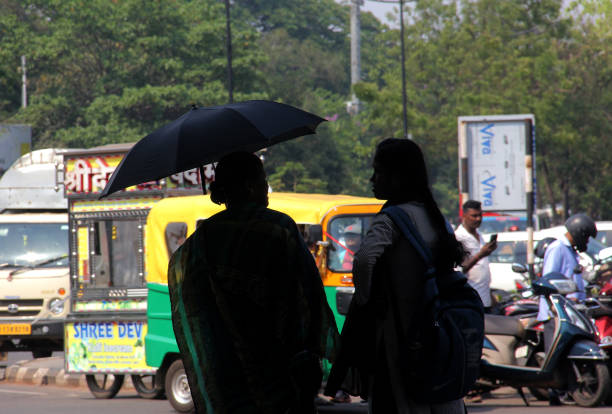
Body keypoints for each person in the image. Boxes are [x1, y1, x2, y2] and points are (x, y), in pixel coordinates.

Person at [167, 151, 339, 414]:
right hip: (279, 370)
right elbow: (309, 294)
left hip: (227, 376)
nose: (266, 190)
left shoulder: (198, 244)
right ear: (249, 186)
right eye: (263, 181)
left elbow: (192, 310)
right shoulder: (278, 228)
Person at [325, 138, 466, 414]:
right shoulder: (436, 218)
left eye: (378, 172)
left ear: (398, 177)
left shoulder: (391, 218)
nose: (372, 179)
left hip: (399, 338)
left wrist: (366, 299)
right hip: (438, 335)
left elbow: (365, 259)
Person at [454, 200, 497, 312]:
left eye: (480, 215)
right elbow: (459, 270)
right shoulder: (459, 238)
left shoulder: (479, 235)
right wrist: (480, 255)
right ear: (464, 216)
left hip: (484, 299)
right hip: (469, 301)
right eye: (474, 216)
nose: (478, 219)